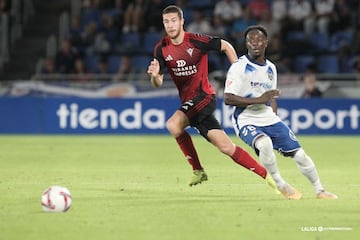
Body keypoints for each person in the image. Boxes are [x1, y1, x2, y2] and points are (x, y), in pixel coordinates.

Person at [147, 5, 278, 191]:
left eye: (174, 20)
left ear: (182, 21)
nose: (170, 25)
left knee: (173, 124)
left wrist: (237, 71)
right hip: (190, 104)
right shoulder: (161, 48)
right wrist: (154, 76)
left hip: (204, 97)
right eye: (166, 21)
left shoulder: (196, 41)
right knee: (226, 147)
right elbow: (158, 82)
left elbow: (225, 46)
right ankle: (268, 176)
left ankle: (197, 169)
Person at [223, 25, 338, 199]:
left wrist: (274, 116)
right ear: (246, 44)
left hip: (268, 117)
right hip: (246, 119)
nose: (255, 43)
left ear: (266, 43)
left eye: (259, 39)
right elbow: (228, 98)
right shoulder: (239, 67)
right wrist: (260, 99)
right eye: (250, 40)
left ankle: (320, 191)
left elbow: (272, 97)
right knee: (265, 144)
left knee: (300, 155)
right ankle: (280, 183)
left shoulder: (271, 68)